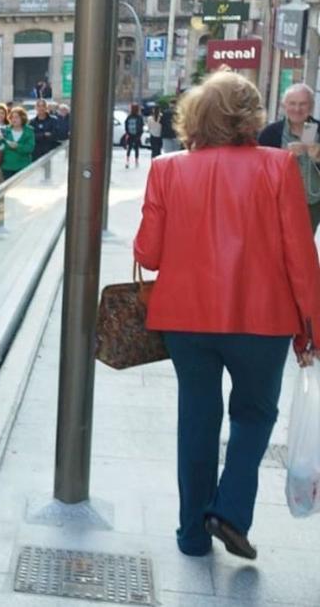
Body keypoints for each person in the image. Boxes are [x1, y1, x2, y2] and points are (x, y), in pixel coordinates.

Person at [134, 71, 320, 561]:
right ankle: (230, 511)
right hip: (263, 319)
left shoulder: (167, 169)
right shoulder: (278, 167)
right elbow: (301, 257)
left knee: (196, 417)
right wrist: (311, 327)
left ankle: (192, 535)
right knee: (255, 414)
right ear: (252, 116)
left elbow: (148, 254)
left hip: (186, 320)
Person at [257, 83, 320, 231]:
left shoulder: (316, 129)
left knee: (304, 248)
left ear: (311, 106)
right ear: (284, 105)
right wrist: (282, 155)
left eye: (303, 104)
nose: (297, 109)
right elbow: (257, 170)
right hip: (279, 203)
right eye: (292, 103)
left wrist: (318, 158)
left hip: (313, 204)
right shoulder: (270, 133)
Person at [0, 106, 36, 180]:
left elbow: (30, 148)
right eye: (12, 117)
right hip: (7, 167)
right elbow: (0, 147)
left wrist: (17, 146)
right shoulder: (5, 130)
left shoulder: (29, 130)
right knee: (8, 190)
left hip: (23, 166)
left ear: (23, 118)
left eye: (17, 117)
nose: (14, 119)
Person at [124, 103, 145, 169]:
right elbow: (142, 126)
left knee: (129, 148)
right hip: (137, 135)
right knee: (136, 149)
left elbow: (126, 125)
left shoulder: (129, 117)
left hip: (130, 135)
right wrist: (140, 134)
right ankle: (136, 162)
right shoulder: (139, 117)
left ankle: (127, 162)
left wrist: (127, 133)